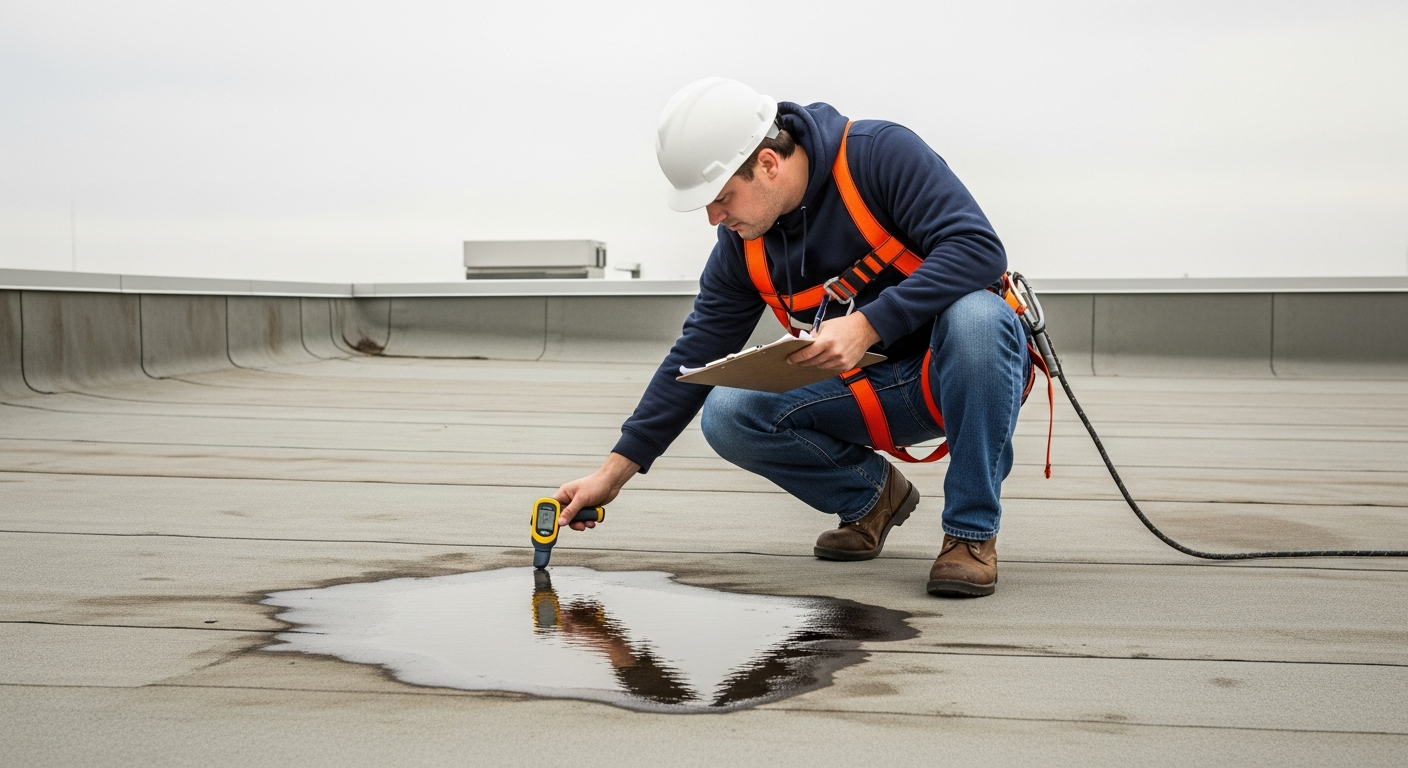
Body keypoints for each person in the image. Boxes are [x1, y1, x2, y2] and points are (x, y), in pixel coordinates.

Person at [553, 78, 1032, 597]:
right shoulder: (743, 247)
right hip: (872, 393)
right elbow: (695, 354)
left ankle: (969, 535)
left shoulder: (879, 157)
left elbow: (978, 248)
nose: (715, 218)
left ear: (767, 162)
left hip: (960, 373)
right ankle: (872, 498)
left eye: (720, 198)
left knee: (978, 317)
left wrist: (869, 323)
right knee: (729, 411)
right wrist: (614, 472)